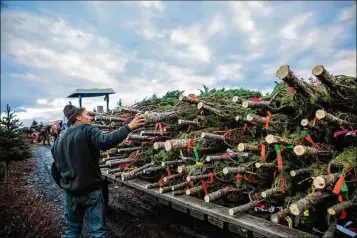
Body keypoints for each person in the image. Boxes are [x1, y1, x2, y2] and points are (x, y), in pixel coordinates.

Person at [51, 104, 145, 238]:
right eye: (87, 115)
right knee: (97, 231)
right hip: (91, 191)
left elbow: (54, 169)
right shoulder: (87, 130)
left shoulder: (58, 141)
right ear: (78, 117)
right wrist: (129, 127)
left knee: (71, 230)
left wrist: (66, 185)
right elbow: (106, 141)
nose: (91, 118)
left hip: (70, 193)